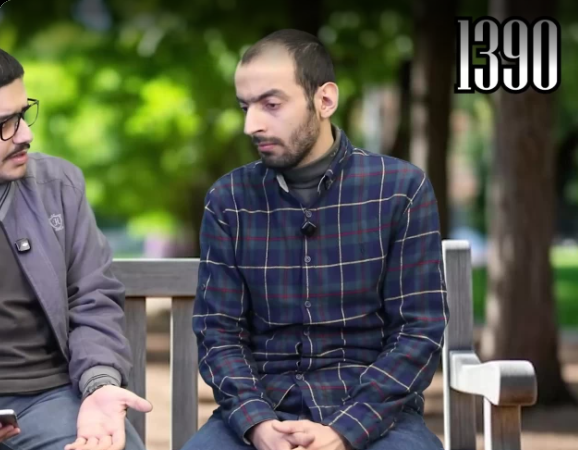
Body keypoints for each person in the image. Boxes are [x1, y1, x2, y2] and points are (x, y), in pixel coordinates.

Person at [184, 29, 449, 450]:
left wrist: (345, 431)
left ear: (324, 100)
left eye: (271, 104)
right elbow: (219, 333)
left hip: (376, 417)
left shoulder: (400, 189)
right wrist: (257, 424)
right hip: (260, 411)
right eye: (245, 107)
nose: (252, 125)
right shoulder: (229, 199)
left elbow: (419, 331)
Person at [0, 49, 152, 450]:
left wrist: (99, 382)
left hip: (48, 397)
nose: (25, 135)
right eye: (4, 124)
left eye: (23, 114)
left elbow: (93, 298)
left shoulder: (59, 186)